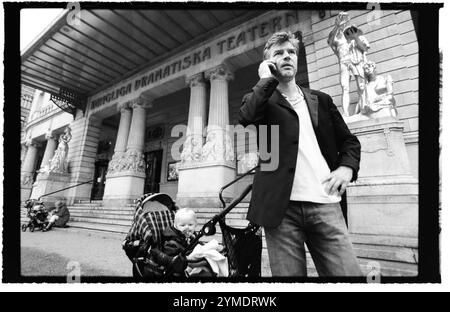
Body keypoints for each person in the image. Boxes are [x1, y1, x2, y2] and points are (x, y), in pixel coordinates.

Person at [238, 31, 362, 276]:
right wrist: (265, 79)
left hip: (325, 204)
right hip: (281, 211)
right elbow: (247, 117)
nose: (287, 57)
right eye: (279, 53)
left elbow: (349, 141)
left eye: (291, 52)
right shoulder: (261, 101)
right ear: (268, 62)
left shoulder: (321, 100)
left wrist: (346, 168)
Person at [328, 12, 370, 116]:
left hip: (354, 62)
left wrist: (355, 37)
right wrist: (336, 27)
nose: (343, 24)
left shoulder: (352, 35)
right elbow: (329, 41)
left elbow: (363, 48)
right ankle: (345, 113)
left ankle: (362, 108)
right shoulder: (337, 38)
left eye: (345, 21)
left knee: (361, 86)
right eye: (341, 22)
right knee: (345, 87)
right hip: (344, 63)